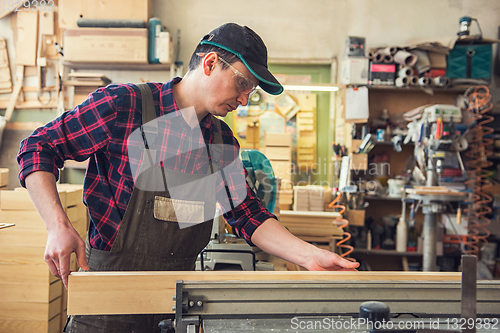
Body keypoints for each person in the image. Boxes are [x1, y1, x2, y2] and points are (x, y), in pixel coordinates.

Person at [17, 23, 359, 332]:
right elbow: (38, 147)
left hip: (176, 310)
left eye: (250, 91)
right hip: (107, 306)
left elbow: (247, 215)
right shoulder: (125, 106)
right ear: (209, 64)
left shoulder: (221, 142)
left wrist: (308, 255)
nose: (243, 99)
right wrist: (57, 226)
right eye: (242, 83)